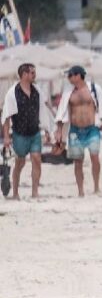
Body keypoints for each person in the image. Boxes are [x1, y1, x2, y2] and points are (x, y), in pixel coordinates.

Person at [55, 65, 102, 197]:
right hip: (75, 131)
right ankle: (80, 191)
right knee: (78, 161)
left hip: (92, 129)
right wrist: (59, 131)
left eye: (71, 75)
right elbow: (61, 112)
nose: (68, 78)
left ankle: (96, 187)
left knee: (95, 157)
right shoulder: (68, 92)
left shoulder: (94, 89)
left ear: (79, 75)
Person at [2, 63, 53, 199]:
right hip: (19, 134)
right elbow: (6, 116)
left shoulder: (37, 90)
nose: (34, 75)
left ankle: (35, 192)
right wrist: (6, 137)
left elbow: (42, 111)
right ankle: (15, 193)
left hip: (35, 132)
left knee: (37, 159)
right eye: (32, 73)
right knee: (20, 162)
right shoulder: (12, 93)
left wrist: (47, 130)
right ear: (24, 74)